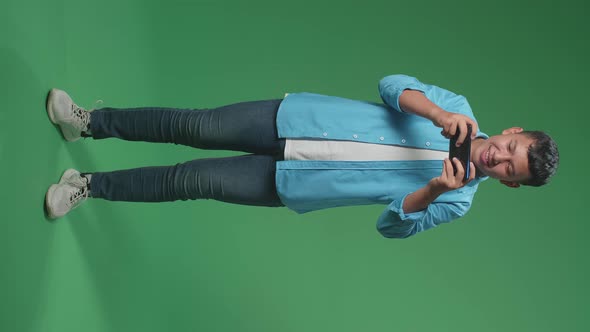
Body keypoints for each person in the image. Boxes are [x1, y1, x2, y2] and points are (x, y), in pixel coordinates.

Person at [44, 74, 559, 238]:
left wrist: (435, 190)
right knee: (191, 125)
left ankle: (87, 185)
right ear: (511, 131)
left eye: (509, 167)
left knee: (190, 181)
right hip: (294, 119)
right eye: (510, 148)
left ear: (510, 183)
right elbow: (391, 86)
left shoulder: (459, 201)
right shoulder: (458, 109)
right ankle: (89, 122)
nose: (499, 157)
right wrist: (435, 115)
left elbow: (391, 227)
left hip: (292, 184)